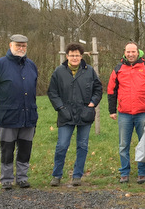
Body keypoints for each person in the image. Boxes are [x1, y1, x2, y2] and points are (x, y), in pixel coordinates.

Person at [48, 43, 103, 187]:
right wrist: (60, 107)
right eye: (71, 55)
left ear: (81, 56)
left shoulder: (89, 71)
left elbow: (98, 89)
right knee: (62, 145)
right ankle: (57, 175)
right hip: (65, 114)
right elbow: (52, 92)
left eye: (77, 55)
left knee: (82, 146)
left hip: (85, 113)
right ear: (67, 56)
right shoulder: (59, 71)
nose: (74, 58)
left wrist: (92, 103)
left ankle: (77, 175)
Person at [0, 34, 38, 190]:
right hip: (7, 116)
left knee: (25, 149)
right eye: (18, 45)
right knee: (7, 149)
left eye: (24, 45)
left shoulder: (31, 65)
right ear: (10, 45)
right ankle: (6, 179)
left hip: (28, 115)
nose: (21, 48)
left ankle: (22, 178)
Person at [108, 42, 145, 184]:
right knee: (123, 145)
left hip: (144, 112)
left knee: (144, 143)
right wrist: (112, 110)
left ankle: (142, 172)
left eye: (133, 51)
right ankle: (124, 172)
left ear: (138, 52)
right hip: (124, 113)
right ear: (125, 52)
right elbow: (111, 90)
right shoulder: (118, 69)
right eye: (128, 52)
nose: (130, 54)